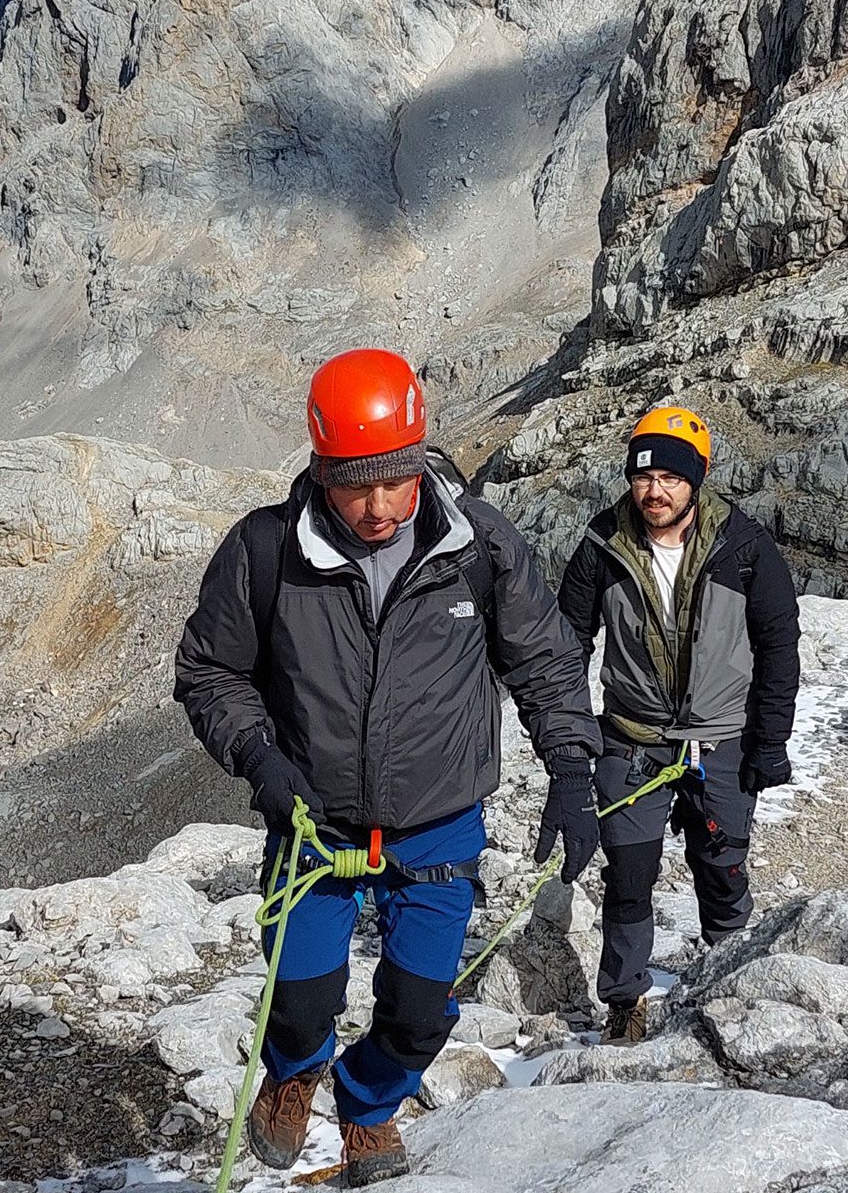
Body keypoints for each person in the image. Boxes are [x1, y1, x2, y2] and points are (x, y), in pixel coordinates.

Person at [174, 348, 602, 1186]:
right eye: (354, 484)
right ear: (321, 470)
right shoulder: (267, 551)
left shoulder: (479, 545)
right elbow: (210, 671)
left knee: (417, 1012)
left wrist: (574, 774)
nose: (377, 507)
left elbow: (545, 665)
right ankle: (294, 1070)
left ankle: (368, 1103)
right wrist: (260, 757)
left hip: (438, 821)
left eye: (394, 482)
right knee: (298, 1004)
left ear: (419, 464)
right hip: (313, 820)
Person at [556, 406, 801, 1042]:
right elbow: (564, 647)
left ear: (697, 480)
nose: (654, 492)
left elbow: (779, 645)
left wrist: (768, 743)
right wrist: (571, 741)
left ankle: (726, 981)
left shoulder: (744, 548)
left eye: (670, 478)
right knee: (629, 876)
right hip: (631, 741)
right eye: (643, 477)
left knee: (722, 868)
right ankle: (625, 1002)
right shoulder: (600, 548)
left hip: (721, 740)